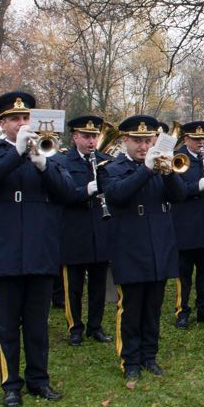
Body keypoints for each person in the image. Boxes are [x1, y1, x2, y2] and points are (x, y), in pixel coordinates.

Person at [0, 92, 76, 407]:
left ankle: (38, 380)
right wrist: (15, 155)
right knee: (7, 325)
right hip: (3, 252)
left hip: (40, 250)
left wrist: (43, 164)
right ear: (3, 123)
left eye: (26, 118)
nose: (22, 123)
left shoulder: (53, 153)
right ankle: (11, 384)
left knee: (36, 323)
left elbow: (68, 192)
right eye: (15, 118)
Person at [98, 115, 187, 379]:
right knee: (131, 307)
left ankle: (150, 355)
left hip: (160, 245)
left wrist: (167, 172)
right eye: (137, 141)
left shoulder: (161, 166)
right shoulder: (111, 168)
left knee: (153, 306)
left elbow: (180, 195)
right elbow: (117, 195)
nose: (143, 146)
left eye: (148, 140)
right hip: (130, 247)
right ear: (124, 140)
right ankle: (130, 360)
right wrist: (145, 170)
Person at [56, 115, 114, 346]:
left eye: (94, 136)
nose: (91, 141)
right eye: (87, 136)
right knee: (74, 285)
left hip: (100, 227)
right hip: (74, 228)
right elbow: (61, 194)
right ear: (75, 137)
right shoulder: (63, 161)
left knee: (99, 282)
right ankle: (75, 327)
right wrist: (85, 190)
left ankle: (95, 326)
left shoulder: (105, 161)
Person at [171, 120, 204, 329]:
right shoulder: (178, 159)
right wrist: (197, 186)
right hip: (186, 224)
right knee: (183, 273)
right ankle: (181, 311)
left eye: (203, 138)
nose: (201, 143)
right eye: (196, 139)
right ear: (186, 139)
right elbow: (175, 192)